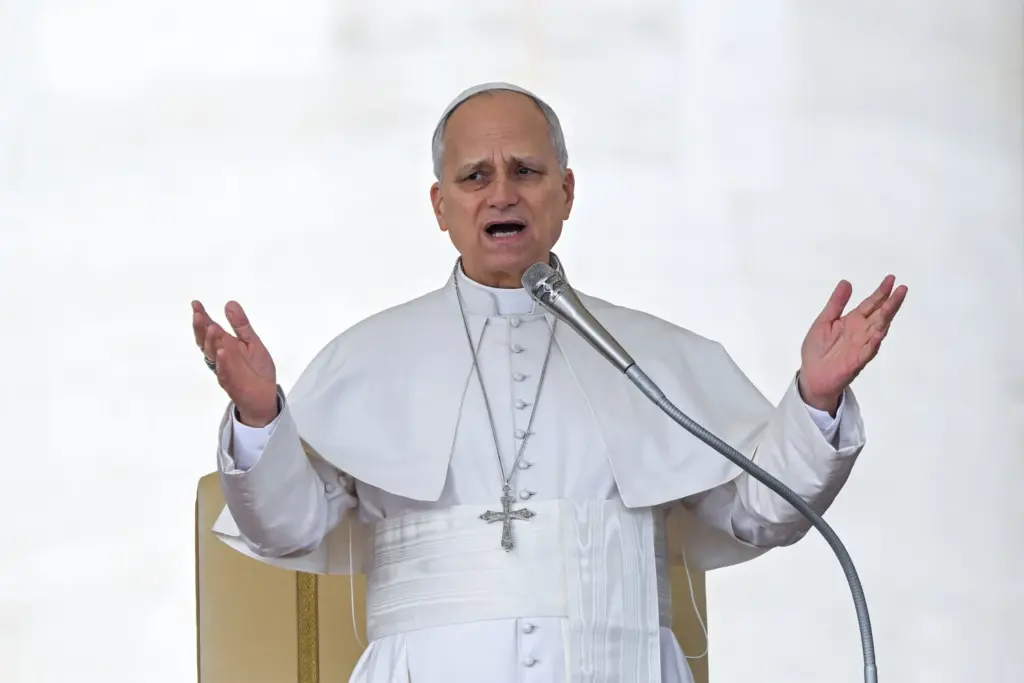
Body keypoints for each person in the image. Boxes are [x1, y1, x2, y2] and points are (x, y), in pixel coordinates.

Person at [192, 82, 907, 683]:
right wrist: (259, 419)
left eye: (526, 171)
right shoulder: (368, 358)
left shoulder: (651, 355)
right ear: (440, 206)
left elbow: (763, 512)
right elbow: (287, 528)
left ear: (565, 193)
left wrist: (814, 400)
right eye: (475, 176)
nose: (501, 193)